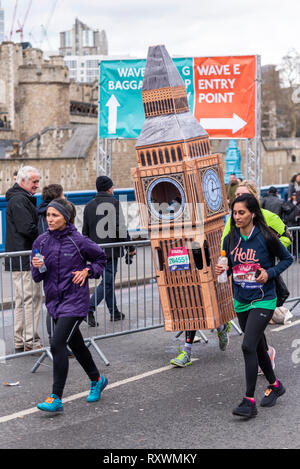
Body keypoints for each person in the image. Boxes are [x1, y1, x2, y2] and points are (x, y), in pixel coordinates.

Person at [216, 194, 293, 418]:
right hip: (241, 300)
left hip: (263, 298)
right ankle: (276, 385)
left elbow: (287, 259)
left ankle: (248, 400)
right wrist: (224, 270)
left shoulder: (266, 237)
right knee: (258, 348)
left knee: (248, 346)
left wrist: (269, 272)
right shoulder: (230, 238)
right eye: (234, 213)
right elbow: (230, 265)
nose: (237, 217)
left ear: (252, 214)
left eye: (242, 212)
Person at [31, 198, 108, 412]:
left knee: (57, 344)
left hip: (75, 302)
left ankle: (56, 397)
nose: (50, 219)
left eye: (55, 215)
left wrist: (88, 271)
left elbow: (101, 259)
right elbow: (38, 277)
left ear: (66, 217)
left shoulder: (78, 241)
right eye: (48, 215)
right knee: (76, 345)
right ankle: (97, 379)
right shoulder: (41, 242)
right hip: (55, 302)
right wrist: (37, 266)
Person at [82, 176, 136, 325]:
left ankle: (115, 312)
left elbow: (84, 232)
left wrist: (85, 253)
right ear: (108, 188)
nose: (113, 189)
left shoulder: (89, 206)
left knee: (108, 281)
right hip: (110, 251)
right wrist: (130, 247)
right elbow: (121, 228)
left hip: (94, 251)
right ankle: (89, 308)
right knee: (107, 282)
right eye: (112, 187)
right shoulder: (114, 203)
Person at [5, 166, 42, 352]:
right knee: (32, 299)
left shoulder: (17, 198)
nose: (37, 185)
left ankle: (20, 339)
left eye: (38, 181)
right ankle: (30, 340)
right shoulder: (20, 200)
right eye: (34, 182)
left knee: (22, 300)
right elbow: (27, 228)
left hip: (18, 256)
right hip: (25, 256)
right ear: (23, 181)